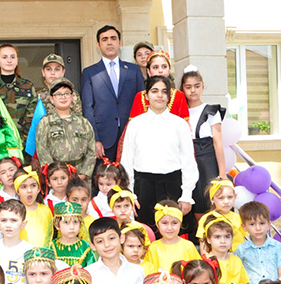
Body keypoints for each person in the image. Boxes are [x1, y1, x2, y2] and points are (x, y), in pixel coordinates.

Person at [120, 76, 199, 231]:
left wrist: (186, 195)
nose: (160, 95)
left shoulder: (179, 124)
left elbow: (188, 161)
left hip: (173, 185)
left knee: (172, 233)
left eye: (164, 91)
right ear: (146, 95)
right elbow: (127, 161)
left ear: (169, 96)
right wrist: (130, 194)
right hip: (143, 187)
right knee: (145, 234)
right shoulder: (135, 124)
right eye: (155, 91)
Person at [80, 25, 145, 162]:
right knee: (105, 175)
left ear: (120, 43)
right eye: (104, 39)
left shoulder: (133, 70)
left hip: (131, 135)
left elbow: (142, 103)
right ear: (98, 45)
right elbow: (88, 109)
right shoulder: (89, 73)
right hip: (104, 140)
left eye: (113, 38)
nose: (109, 42)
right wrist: (95, 139)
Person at [181, 66, 227, 218]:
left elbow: (218, 143)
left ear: (203, 86)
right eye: (188, 87)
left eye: (197, 86)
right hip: (186, 160)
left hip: (207, 161)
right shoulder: (179, 112)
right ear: (182, 88)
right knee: (191, 204)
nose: (193, 90)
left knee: (210, 203)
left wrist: (222, 173)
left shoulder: (211, 111)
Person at [36, 78, 96, 182]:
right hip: (56, 177)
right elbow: (42, 151)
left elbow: (91, 151)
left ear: (72, 96)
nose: (63, 97)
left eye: (67, 93)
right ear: (51, 99)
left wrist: (82, 175)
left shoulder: (83, 122)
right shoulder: (45, 123)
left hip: (80, 176)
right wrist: (56, 175)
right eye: (58, 94)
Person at [200, 216, 251, 284]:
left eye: (227, 237)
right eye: (217, 237)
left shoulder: (236, 260)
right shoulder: (205, 263)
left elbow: (244, 281)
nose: (223, 241)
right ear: (208, 239)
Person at [0, 199, 33, 284]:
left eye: (13, 220)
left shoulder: (30, 251)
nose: (8, 225)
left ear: (23, 224)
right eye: (3, 220)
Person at [127, 50, 189, 121]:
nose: (160, 71)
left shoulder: (179, 96)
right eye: (155, 67)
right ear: (148, 71)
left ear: (169, 69)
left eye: (164, 66)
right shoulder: (140, 97)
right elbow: (134, 124)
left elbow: (184, 124)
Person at [0, 43, 37, 145]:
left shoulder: (27, 86)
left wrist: (22, 141)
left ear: (17, 60)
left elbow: (33, 116)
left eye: (12, 57)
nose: (9, 60)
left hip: (23, 144)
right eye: (4, 57)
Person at [144, 202, 200, 272]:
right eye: (165, 223)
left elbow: (197, 271)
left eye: (174, 223)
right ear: (157, 225)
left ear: (180, 224)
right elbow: (148, 271)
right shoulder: (153, 248)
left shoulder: (188, 246)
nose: (169, 228)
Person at [195, 180, 247, 252]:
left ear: (235, 197)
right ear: (212, 199)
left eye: (230, 197)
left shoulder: (239, 217)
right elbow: (203, 241)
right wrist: (206, 257)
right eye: (221, 198)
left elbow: (244, 238)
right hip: (216, 255)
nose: (226, 201)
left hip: (238, 255)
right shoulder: (206, 218)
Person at [14, 166, 52, 248]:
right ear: (17, 191)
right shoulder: (13, 213)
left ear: (39, 189)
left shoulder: (46, 210)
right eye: (24, 187)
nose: (29, 190)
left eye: (33, 185)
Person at [48, 202, 95, 268]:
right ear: (57, 225)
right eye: (66, 222)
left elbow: (91, 269)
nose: (72, 227)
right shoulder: (51, 247)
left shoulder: (86, 247)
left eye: (75, 222)